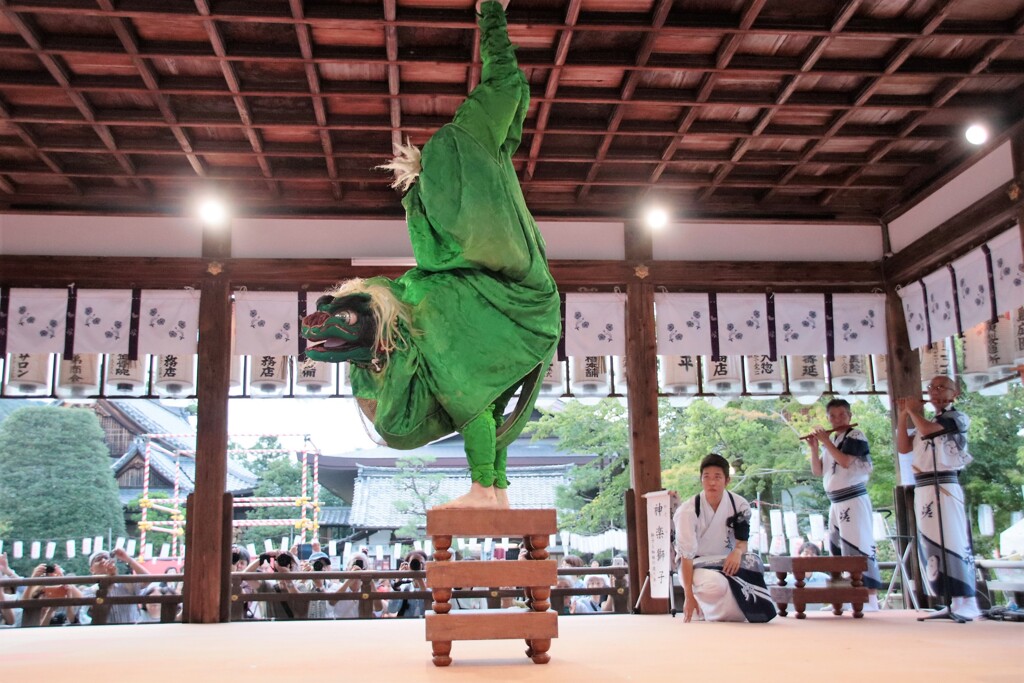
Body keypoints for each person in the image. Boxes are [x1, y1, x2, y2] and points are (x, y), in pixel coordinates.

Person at [299, 0, 561, 510]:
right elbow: (507, 84)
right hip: (509, 298)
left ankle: (486, 487)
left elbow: (507, 80)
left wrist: (492, 14)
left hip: (498, 296)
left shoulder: (458, 153)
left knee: (461, 368)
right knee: (482, 390)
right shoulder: (468, 152)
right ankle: (495, 489)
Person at [897, 375, 980, 619]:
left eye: (941, 387)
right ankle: (949, 597)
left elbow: (927, 431)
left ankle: (966, 598)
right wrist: (903, 415)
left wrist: (913, 412)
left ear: (955, 394)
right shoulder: (929, 418)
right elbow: (904, 447)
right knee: (932, 542)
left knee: (952, 539)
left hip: (944, 484)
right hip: (923, 486)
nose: (934, 391)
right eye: (931, 387)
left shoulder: (957, 417)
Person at [672, 453, 776, 623]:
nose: (712, 482)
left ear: (727, 480)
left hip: (728, 563)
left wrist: (737, 552)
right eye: (707, 477)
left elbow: (742, 542)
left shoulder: (739, 505)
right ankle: (704, 608)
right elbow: (686, 555)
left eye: (717, 477)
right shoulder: (688, 511)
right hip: (695, 565)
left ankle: (716, 612)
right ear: (701, 480)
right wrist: (688, 596)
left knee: (754, 564)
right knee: (717, 585)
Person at [808, 398, 881, 610]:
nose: (838, 419)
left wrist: (826, 442)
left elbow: (846, 461)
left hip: (853, 498)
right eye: (833, 416)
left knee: (860, 547)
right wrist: (814, 447)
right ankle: (841, 597)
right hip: (836, 502)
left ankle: (869, 598)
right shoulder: (833, 441)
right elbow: (818, 471)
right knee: (837, 549)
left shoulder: (855, 435)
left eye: (842, 415)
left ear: (850, 416)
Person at [85, 548, 150, 625]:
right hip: (105, 633)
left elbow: (147, 579)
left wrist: (127, 559)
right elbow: (95, 612)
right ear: (92, 570)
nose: (103, 560)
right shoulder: (89, 591)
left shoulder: (126, 583)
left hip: (131, 631)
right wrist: (109, 581)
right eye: (98, 559)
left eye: (106, 558)